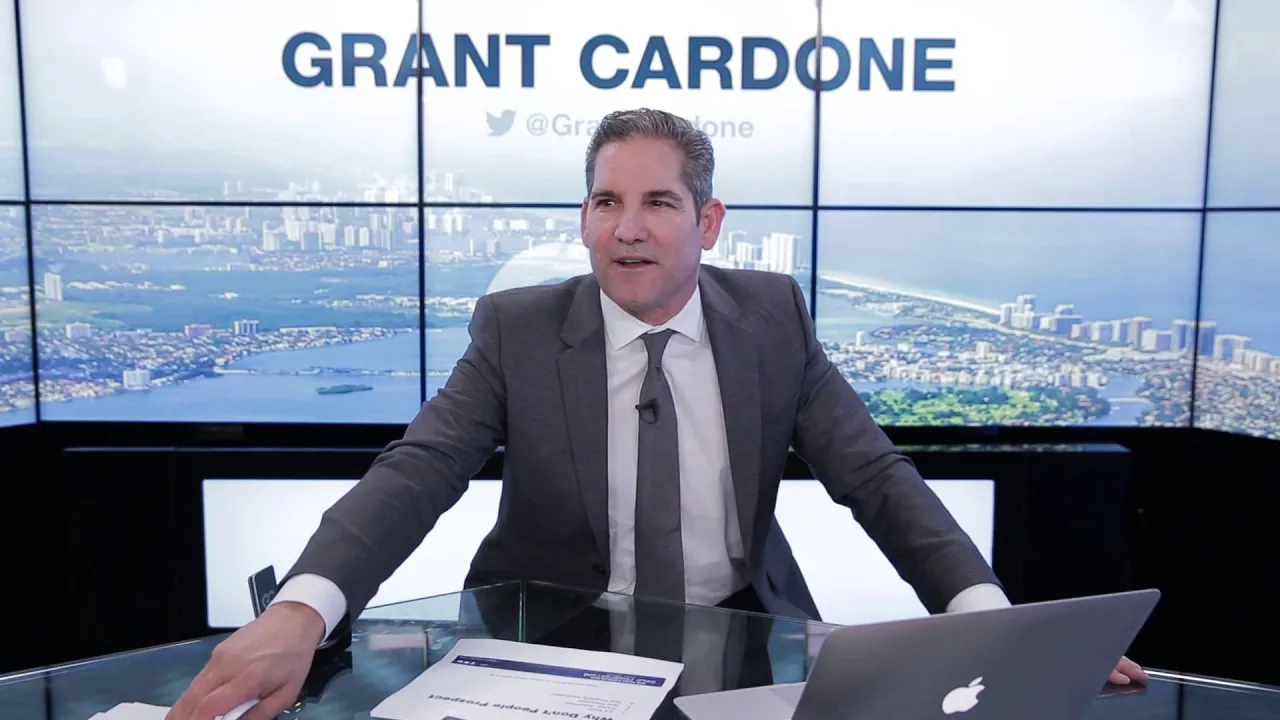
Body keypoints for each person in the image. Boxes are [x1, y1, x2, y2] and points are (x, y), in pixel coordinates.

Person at [167, 108, 1146, 720]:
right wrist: (300, 611)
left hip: (745, 643)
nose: (626, 229)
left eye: (657, 204)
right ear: (583, 217)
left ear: (708, 221)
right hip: (547, 648)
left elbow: (875, 479)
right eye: (604, 202)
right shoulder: (517, 328)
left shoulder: (770, 320)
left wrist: (988, 626)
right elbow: (417, 470)